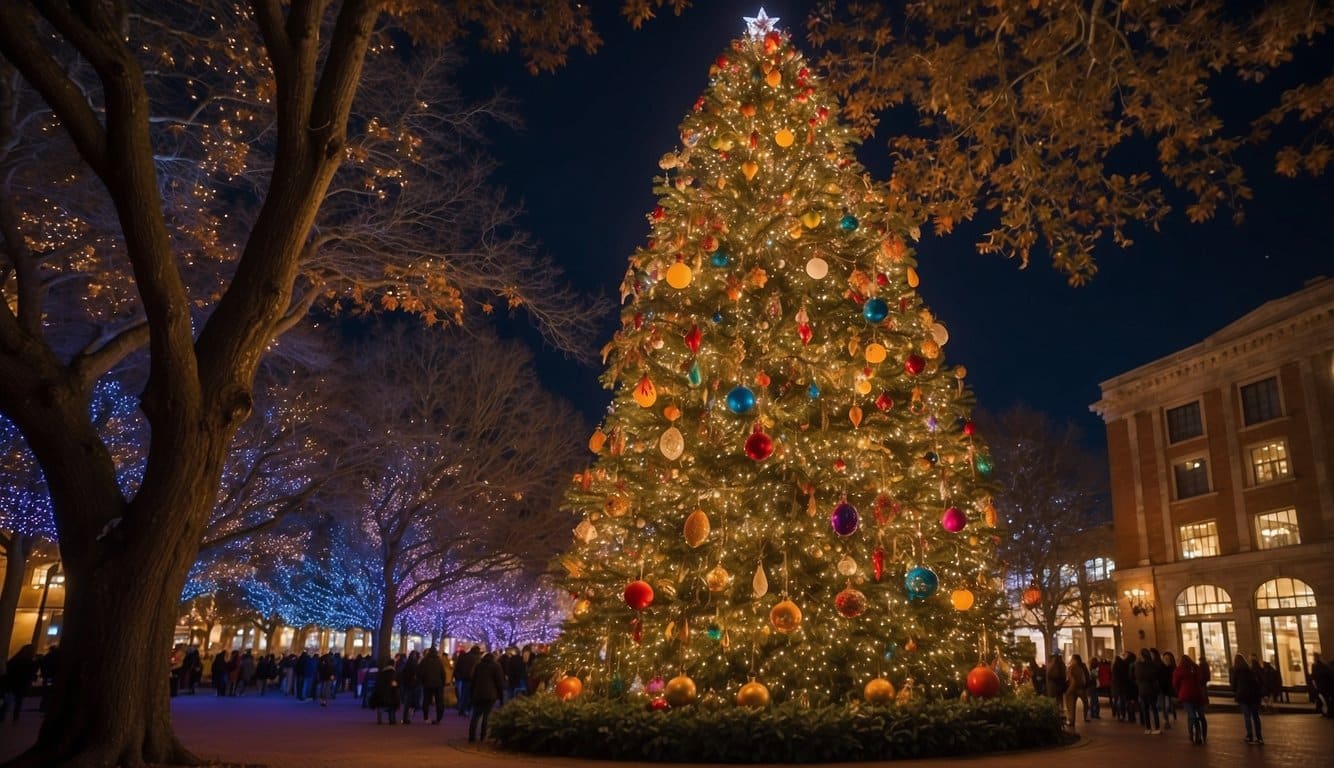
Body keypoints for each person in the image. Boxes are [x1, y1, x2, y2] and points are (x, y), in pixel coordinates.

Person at [468, 652, 506, 743]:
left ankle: (471, 736)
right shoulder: (496, 666)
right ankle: (483, 736)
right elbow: (499, 683)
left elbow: (473, 680)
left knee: (475, 715)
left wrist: (472, 693)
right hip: (490, 694)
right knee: (487, 715)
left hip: (478, 693)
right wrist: (501, 697)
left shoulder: (478, 666)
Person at [1174, 653, 1208, 745]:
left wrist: (1179, 692)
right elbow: (1202, 680)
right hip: (1198, 695)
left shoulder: (1179, 670)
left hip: (1186, 695)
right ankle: (1203, 735)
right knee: (1201, 716)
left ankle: (1192, 734)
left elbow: (1175, 683)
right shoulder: (1196, 668)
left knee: (1191, 715)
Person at [0, 645, 37, 722]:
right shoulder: (30, 662)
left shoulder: (15, 659)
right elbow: (31, 675)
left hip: (11, 684)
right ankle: (15, 718)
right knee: (18, 702)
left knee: (7, 701)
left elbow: (8, 670)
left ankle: (2, 717)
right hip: (22, 685)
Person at [1232, 653, 1264, 744]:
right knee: (1255, 716)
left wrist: (1237, 691)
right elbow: (1257, 683)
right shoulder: (1250, 670)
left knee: (1247, 716)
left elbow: (1233, 685)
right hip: (1253, 696)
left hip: (1243, 696)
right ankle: (1259, 737)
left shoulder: (1236, 671)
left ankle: (1249, 735)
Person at [1134, 649, 1161, 734]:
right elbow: (1155, 676)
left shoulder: (1138, 665)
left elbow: (1135, 677)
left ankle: (1148, 728)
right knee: (1154, 709)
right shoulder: (1153, 665)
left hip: (1142, 689)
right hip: (1152, 689)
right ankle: (1157, 727)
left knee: (1145, 709)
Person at [419, 647, 447, 724]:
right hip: (438, 684)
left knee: (426, 701)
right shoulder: (439, 661)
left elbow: (420, 672)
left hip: (427, 684)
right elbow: (443, 673)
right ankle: (439, 718)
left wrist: (422, 681)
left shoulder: (425, 661)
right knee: (439, 702)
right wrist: (443, 683)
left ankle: (426, 717)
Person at [370, 658, 400, 725]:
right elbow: (394, 683)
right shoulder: (393, 673)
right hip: (390, 693)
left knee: (381, 706)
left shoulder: (382, 672)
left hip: (381, 693)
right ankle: (392, 720)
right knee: (392, 707)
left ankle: (380, 720)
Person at [455, 645, 482, 716]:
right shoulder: (476, 658)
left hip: (464, 678)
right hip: (472, 679)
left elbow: (459, 667)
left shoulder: (465, 656)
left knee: (464, 695)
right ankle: (467, 709)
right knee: (470, 695)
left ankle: (461, 709)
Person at [1064, 654, 1091, 726]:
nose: (1071, 660)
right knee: (1085, 703)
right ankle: (1086, 717)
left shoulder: (1071, 667)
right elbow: (1087, 676)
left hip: (1073, 689)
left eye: (1072, 659)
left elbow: (1071, 679)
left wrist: (1069, 690)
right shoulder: (1083, 666)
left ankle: (1071, 720)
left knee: (1071, 705)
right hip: (1082, 688)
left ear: (1075, 660)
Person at [399, 650, 422, 724]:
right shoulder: (415, 664)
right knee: (413, 702)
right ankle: (407, 717)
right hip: (413, 685)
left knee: (408, 702)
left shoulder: (408, 664)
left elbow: (403, 675)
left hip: (409, 685)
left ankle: (406, 717)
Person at [1312, 652, 1333, 717]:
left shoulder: (1317, 666)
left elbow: (1316, 676)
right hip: (1325, 685)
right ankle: (1328, 711)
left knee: (1325, 698)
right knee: (1326, 698)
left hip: (1322, 685)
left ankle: (1328, 712)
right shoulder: (1324, 665)